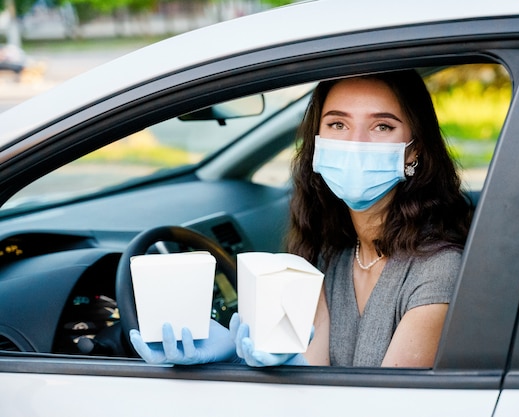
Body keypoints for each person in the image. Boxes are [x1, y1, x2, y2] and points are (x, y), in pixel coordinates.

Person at [130, 69, 472, 368]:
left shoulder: (439, 269)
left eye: (382, 126)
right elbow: (311, 378)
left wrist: (293, 368)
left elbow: (387, 406)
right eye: (338, 124)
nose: (355, 143)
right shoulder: (328, 254)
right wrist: (234, 357)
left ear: (414, 150)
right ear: (318, 144)